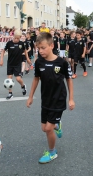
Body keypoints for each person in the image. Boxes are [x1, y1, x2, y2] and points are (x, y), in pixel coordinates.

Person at [26, 32, 75, 164]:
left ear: (52, 45)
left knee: (48, 129)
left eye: (43, 48)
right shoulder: (39, 62)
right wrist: (30, 97)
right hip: (45, 99)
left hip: (58, 100)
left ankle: (52, 152)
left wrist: (71, 99)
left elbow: (69, 80)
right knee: (44, 128)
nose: (40, 51)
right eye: (38, 48)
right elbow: (36, 79)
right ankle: (57, 125)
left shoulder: (62, 62)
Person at [0, 30, 31, 99]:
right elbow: (3, 51)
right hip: (10, 64)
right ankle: (10, 93)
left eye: (18, 38)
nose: (16, 40)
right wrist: (1, 60)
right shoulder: (9, 43)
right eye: (15, 38)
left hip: (17, 64)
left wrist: (27, 59)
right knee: (9, 79)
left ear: (20, 38)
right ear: (13, 37)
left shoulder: (22, 44)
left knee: (18, 79)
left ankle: (23, 86)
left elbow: (25, 51)